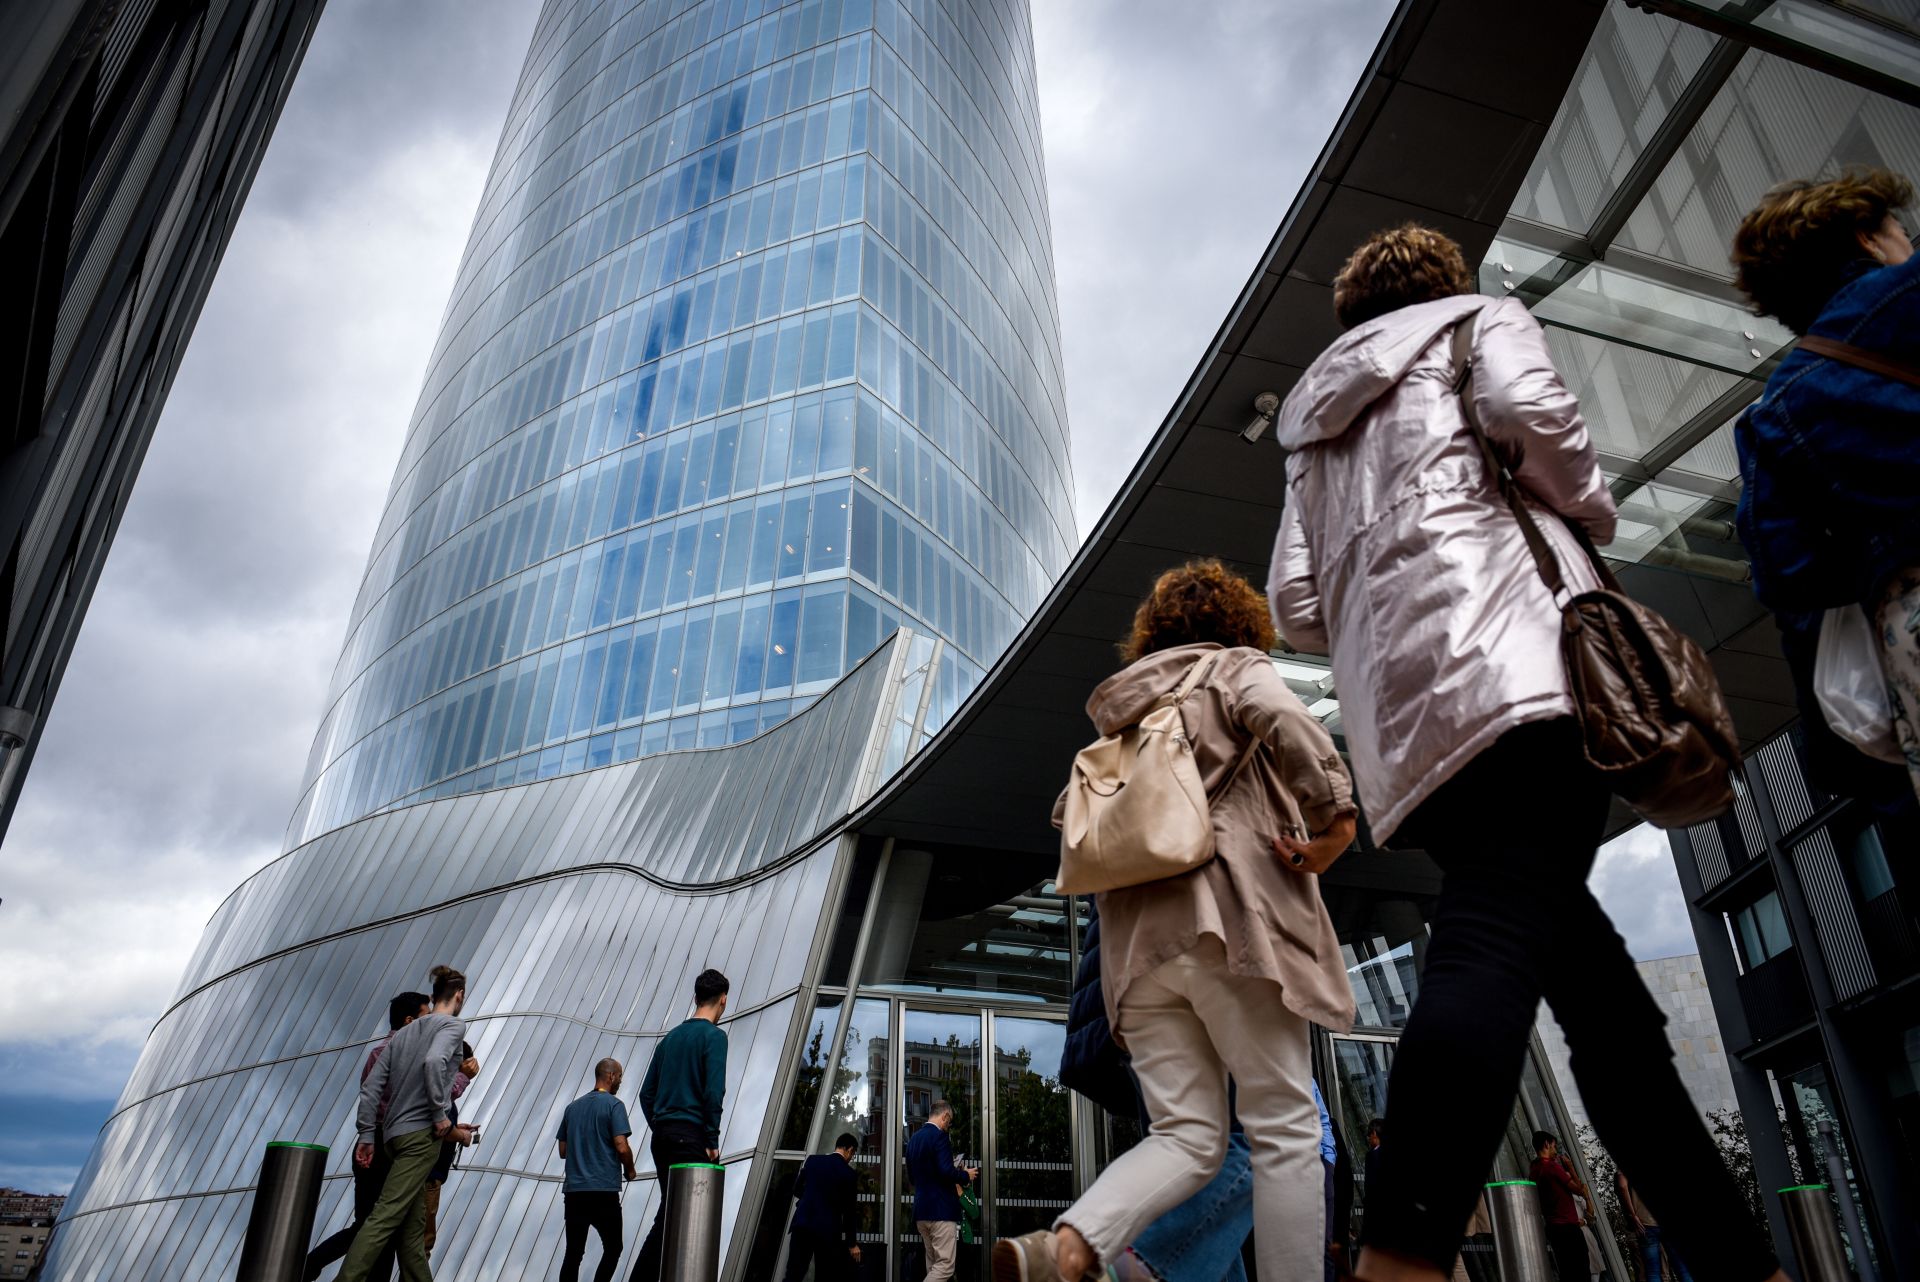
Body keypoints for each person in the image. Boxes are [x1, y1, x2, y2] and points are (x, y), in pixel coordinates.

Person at [1268, 224, 1783, 1282]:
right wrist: (1585, 510)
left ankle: (1742, 1264)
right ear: (1443, 283)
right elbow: (1533, 418)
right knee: (1489, 948)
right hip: (1525, 684)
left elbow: (1295, 605)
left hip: (1410, 743)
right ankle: (1400, 1256)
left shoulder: (1312, 431)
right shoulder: (1477, 323)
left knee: (1609, 1012)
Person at [997, 559, 1359, 1282]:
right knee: (1286, 1126)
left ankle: (1069, 1247)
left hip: (1138, 964)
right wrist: (1335, 817)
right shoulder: (1232, 668)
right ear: (1237, 622)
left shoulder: (1119, 724)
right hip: (1228, 928)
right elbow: (1286, 718)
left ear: (1152, 635)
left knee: (1187, 1136)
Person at [1730, 167, 1920, 805]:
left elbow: (1786, 576)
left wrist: (1880, 554)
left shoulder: (1772, 413)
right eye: (1899, 228)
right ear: (1867, 237)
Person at [340, 966, 473, 1282]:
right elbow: (434, 1061)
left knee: (412, 1236)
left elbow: (371, 1086)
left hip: (392, 1138)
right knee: (384, 1218)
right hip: (420, 1139)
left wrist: (366, 1135)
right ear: (458, 995)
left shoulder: (403, 1033)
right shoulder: (453, 1026)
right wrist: (440, 1115)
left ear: (434, 996)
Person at [305, 992, 429, 1281]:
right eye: (426, 1017)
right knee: (373, 1225)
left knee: (381, 1227)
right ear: (409, 1021)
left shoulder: (393, 1053)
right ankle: (308, 1266)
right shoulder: (392, 1054)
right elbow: (376, 1098)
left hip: (380, 1143)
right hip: (382, 1145)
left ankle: (309, 1266)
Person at [631, 969, 730, 1282]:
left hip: (663, 1138)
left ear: (695, 998)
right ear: (723, 1000)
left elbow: (646, 1093)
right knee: (685, 1219)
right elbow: (714, 1092)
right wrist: (711, 1140)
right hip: (692, 1137)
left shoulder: (670, 1039)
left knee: (670, 1213)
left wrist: (662, 1125)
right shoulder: (715, 1037)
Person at [555, 1057, 637, 1282]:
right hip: (603, 1191)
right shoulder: (614, 1105)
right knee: (613, 1247)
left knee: (573, 1253)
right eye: (619, 1076)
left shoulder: (572, 1108)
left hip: (575, 1192)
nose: (620, 1081)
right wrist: (630, 1170)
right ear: (611, 1076)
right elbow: (622, 1146)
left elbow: (563, 1150)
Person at [906, 1099, 977, 1282]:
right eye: (949, 1122)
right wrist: (965, 1175)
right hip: (941, 1212)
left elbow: (912, 1178)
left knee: (933, 1265)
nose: (948, 1126)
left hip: (921, 1212)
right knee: (945, 1266)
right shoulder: (940, 1136)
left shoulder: (913, 1139)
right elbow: (946, 1171)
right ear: (945, 1116)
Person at [422, 1044, 480, 1258]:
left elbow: (441, 1120)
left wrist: (457, 1127)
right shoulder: (440, 1086)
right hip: (429, 1177)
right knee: (423, 1242)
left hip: (427, 1174)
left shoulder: (435, 1086)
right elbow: (440, 1129)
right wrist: (462, 1136)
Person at [784, 1133, 861, 1282]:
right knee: (824, 1275)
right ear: (850, 1150)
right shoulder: (849, 1174)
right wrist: (852, 1244)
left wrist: (811, 1199)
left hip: (803, 1224)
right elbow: (849, 1212)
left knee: (793, 1275)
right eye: (853, 1154)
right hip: (828, 1231)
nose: (851, 1158)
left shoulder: (813, 1161)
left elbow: (796, 1189)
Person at [1528, 1133, 1587, 1282]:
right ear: (1546, 1144)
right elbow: (1580, 1191)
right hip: (1568, 1227)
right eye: (1554, 1146)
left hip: (1553, 1228)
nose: (1556, 1151)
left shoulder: (1534, 1169)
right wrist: (1570, 1168)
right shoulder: (1552, 1167)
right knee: (1581, 1270)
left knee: (1566, 1270)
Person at [1618, 1168, 1693, 1282]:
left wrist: (1632, 1215)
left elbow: (1622, 1186)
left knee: (1653, 1272)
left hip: (1646, 1224)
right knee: (1682, 1269)